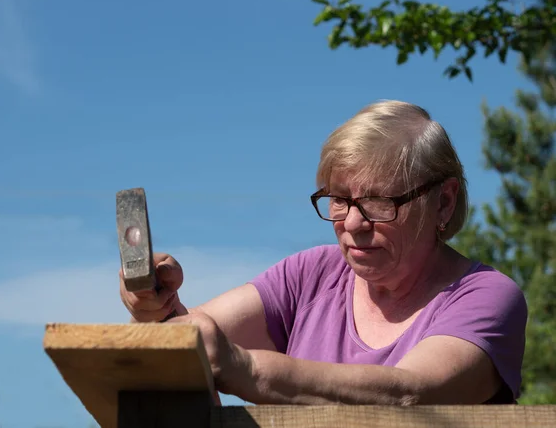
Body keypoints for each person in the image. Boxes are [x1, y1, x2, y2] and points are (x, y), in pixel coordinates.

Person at [120, 100, 528, 406]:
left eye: (380, 202)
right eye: (339, 200)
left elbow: (412, 394)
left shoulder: (485, 296)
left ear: (443, 202)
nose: (352, 223)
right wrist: (156, 306)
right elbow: (191, 345)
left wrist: (245, 368)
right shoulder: (310, 275)